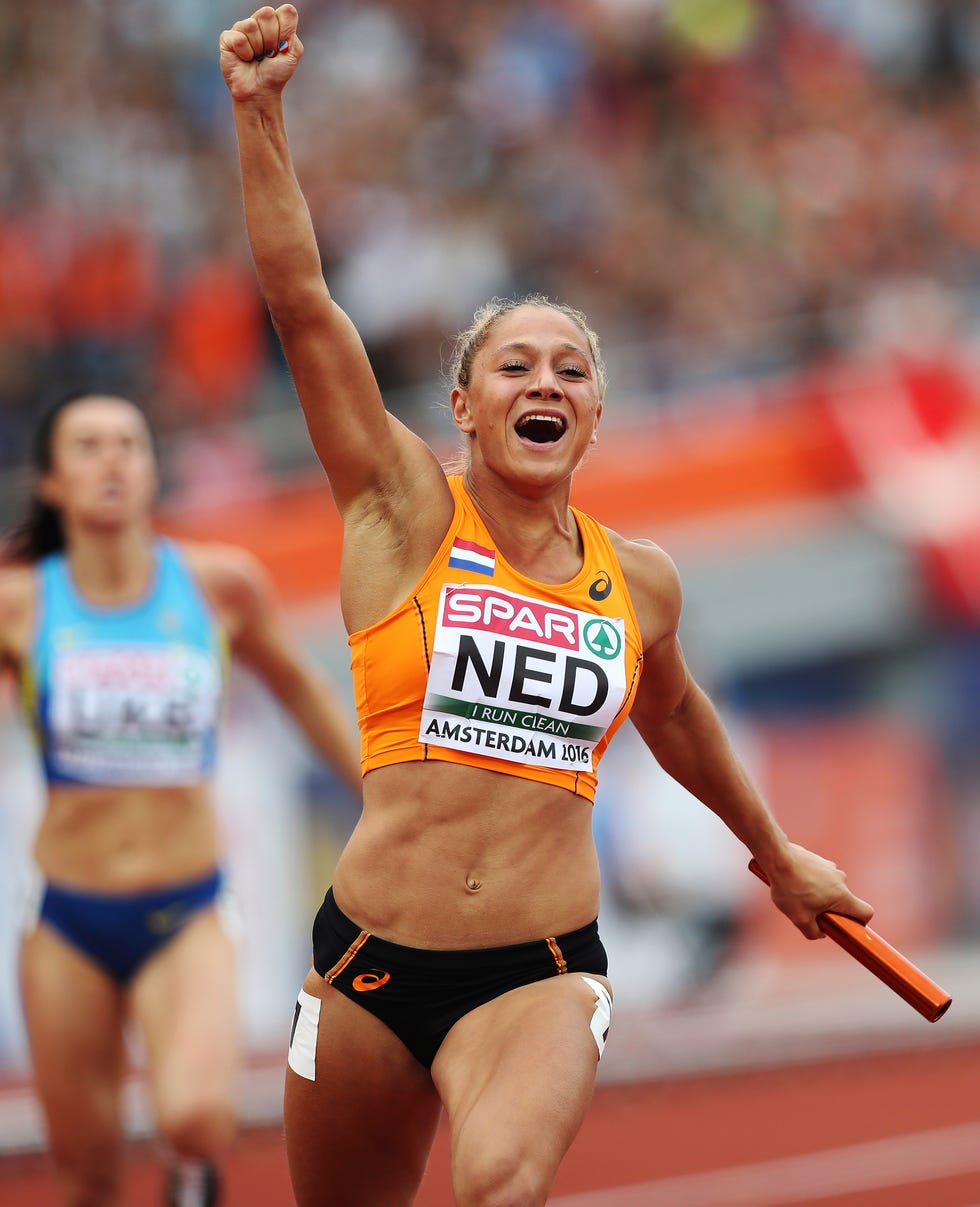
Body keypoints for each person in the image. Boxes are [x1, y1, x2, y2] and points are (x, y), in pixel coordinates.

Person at [219, 8, 877, 1205]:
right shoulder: (400, 511)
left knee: (501, 1185)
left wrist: (774, 855)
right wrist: (259, 116)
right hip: (365, 961)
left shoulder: (638, 580)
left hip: (538, 968)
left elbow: (673, 719)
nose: (543, 382)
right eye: (513, 365)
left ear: (590, 415)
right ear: (462, 407)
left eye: (568, 368)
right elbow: (302, 299)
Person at [0, 389, 363, 1207]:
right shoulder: (21, 604)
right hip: (66, 919)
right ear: (52, 481)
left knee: (197, 1115)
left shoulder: (219, 586)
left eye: (129, 443)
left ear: (154, 468)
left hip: (185, 909)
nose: (112, 460)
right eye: (87, 445)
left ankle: (190, 1176)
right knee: (86, 1175)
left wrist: (385, 804)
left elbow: (305, 695)